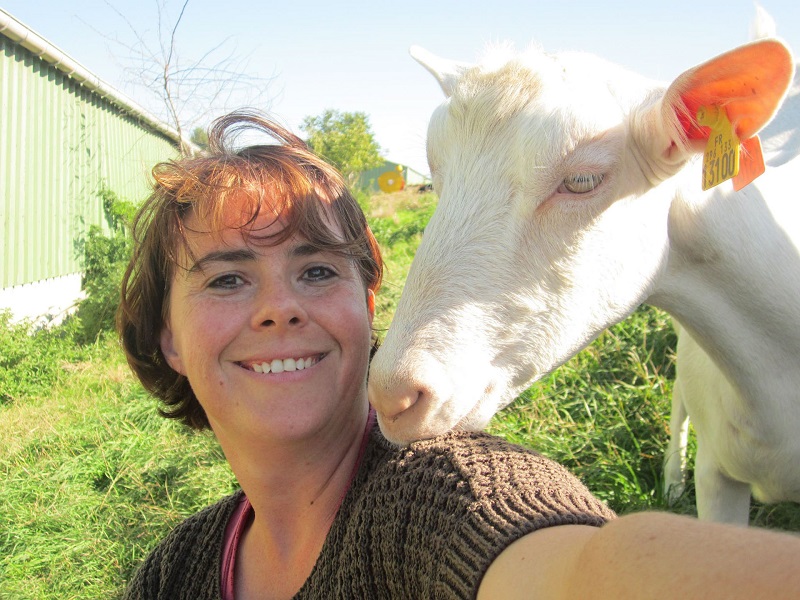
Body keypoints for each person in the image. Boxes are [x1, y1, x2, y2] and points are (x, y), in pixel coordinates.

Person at [118, 110, 800, 600]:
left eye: (319, 271)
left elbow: (582, 566)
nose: (279, 307)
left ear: (367, 301)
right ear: (167, 337)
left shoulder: (445, 499)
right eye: (228, 279)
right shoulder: (175, 570)